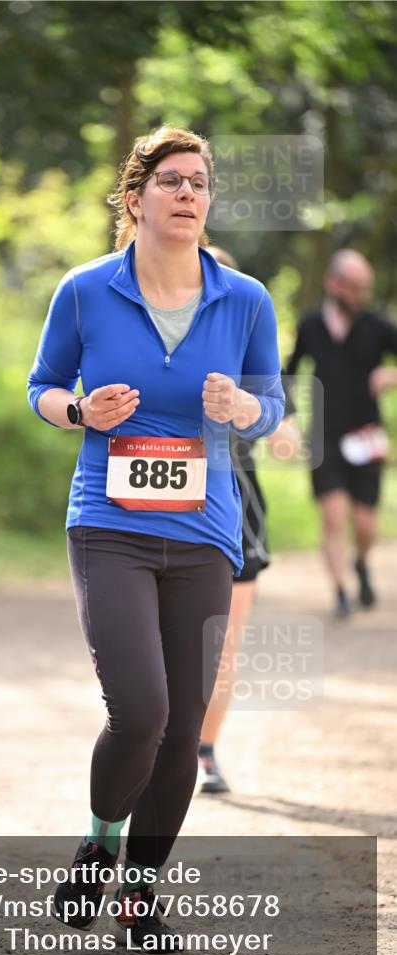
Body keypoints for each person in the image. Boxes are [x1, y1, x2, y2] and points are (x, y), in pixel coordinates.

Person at [27, 125, 285, 952]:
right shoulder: (85, 290)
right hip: (109, 527)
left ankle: (139, 897)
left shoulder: (243, 298)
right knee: (140, 711)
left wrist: (242, 411)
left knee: (182, 729)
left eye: (199, 182)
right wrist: (77, 410)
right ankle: (100, 850)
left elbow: (271, 403)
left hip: (206, 533)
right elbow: (41, 386)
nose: (187, 193)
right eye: (171, 180)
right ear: (135, 199)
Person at [197, 247, 301, 794]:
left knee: (222, 642)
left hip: (237, 507)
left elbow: (287, 439)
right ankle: (152, 739)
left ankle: (206, 752)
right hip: (158, 508)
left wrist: (247, 410)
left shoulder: (252, 350)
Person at [286, 250, 397, 618]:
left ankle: (362, 563)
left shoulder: (378, 326)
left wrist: (390, 375)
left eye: (364, 288)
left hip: (367, 436)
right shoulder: (312, 324)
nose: (360, 295)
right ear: (333, 284)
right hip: (324, 436)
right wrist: (286, 416)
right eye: (353, 287)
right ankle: (340, 592)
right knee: (333, 517)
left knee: (365, 523)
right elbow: (290, 371)